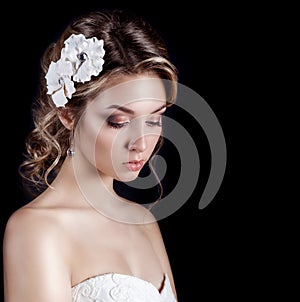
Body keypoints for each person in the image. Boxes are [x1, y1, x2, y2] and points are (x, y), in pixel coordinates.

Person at [3, 9, 179, 302]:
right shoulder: (38, 230)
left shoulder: (143, 221)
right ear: (69, 115)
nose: (141, 143)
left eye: (153, 119)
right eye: (119, 122)